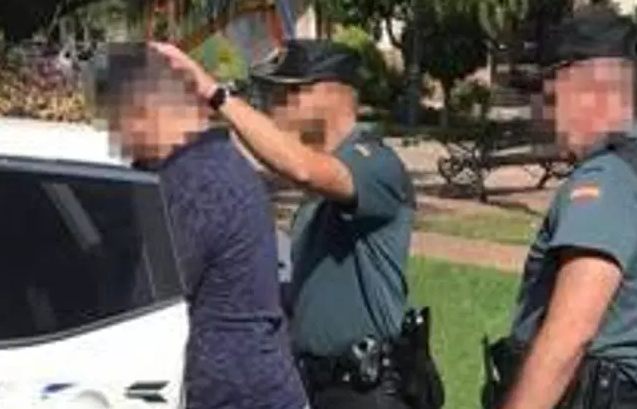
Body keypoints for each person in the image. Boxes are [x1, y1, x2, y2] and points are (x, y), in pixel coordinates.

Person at [151, 39, 442, 409]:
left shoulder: (374, 162)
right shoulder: (322, 185)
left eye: (287, 94)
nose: (275, 106)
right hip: (318, 385)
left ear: (330, 93)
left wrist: (216, 94)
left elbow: (301, 168)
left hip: (366, 394)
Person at [481, 5, 637, 409]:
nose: (544, 114)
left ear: (583, 88)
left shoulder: (608, 178)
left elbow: (569, 335)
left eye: (550, 95)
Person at [90, 42, 308, 409]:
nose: (116, 139)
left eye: (115, 123)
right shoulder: (201, 165)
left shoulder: (198, 182)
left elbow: (144, 293)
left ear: (141, 112)